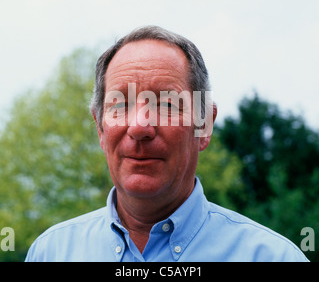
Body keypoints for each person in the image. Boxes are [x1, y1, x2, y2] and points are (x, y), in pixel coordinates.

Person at [25, 26, 308, 262]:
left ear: (204, 124)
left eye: (166, 104)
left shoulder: (272, 257)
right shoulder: (50, 253)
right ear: (99, 127)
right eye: (121, 104)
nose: (139, 127)